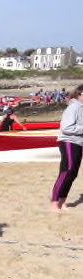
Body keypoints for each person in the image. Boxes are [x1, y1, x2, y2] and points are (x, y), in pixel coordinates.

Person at [50, 84, 83, 212]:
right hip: (69, 142)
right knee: (66, 171)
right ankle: (54, 203)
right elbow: (67, 128)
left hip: (79, 143)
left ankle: (62, 202)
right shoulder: (73, 107)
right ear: (80, 94)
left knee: (73, 174)